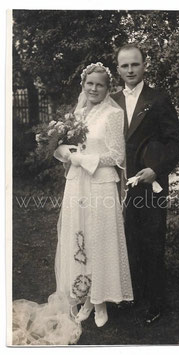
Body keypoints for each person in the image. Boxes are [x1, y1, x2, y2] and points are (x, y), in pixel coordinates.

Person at [12, 63, 133, 345]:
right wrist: (62, 151)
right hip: (77, 183)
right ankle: (84, 298)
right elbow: (65, 146)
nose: (93, 89)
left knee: (99, 239)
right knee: (79, 237)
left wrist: (81, 158)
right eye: (89, 84)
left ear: (107, 88)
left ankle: (101, 300)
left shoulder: (114, 114)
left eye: (100, 85)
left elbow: (116, 156)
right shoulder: (78, 113)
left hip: (101, 183)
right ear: (83, 85)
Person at [112, 44, 179, 325]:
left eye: (135, 65)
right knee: (126, 239)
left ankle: (156, 302)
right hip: (118, 184)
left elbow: (174, 141)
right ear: (117, 69)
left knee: (152, 240)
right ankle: (132, 295)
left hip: (150, 183)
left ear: (144, 66)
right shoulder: (112, 100)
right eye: (124, 66)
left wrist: (156, 169)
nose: (130, 70)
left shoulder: (159, 99)